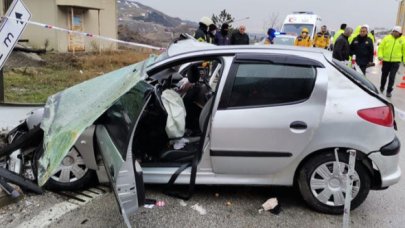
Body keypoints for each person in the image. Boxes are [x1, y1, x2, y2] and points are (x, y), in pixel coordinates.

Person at [378, 26, 405, 97]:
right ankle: (381, 88)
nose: (394, 33)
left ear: (399, 33)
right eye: (393, 31)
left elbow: (404, 51)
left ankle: (389, 91)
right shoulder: (387, 38)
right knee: (384, 75)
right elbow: (381, 47)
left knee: (392, 77)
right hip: (386, 61)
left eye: (396, 31)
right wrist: (380, 56)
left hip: (396, 62)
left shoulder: (403, 40)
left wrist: (404, 61)